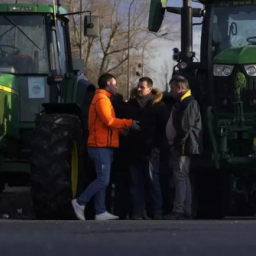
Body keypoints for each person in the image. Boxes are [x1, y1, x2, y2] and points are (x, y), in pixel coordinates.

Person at [72, 74, 140, 221]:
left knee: (103, 179)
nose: (116, 86)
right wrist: (128, 123)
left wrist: (122, 130)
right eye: (115, 83)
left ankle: (100, 211)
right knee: (103, 180)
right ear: (108, 83)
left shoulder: (105, 99)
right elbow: (109, 121)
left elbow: (106, 125)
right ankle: (79, 202)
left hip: (105, 145)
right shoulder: (102, 99)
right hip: (99, 146)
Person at [123, 77, 170, 220]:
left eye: (142, 87)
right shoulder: (131, 105)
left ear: (150, 88)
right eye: (138, 86)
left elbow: (164, 129)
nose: (139, 89)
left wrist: (156, 146)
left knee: (152, 181)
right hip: (133, 149)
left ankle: (156, 211)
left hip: (151, 149)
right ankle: (138, 212)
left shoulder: (159, 106)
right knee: (135, 182)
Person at [165, 75, 202, 220]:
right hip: (183, 144)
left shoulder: (188, 102)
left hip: (183, 145)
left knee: (180, 176)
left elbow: (185, 127)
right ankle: (186, 209)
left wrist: (177, 144)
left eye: (172, 88)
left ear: (180, 88)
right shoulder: (184, 101)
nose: (171, 91)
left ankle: (179, 210)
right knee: (183, 176)